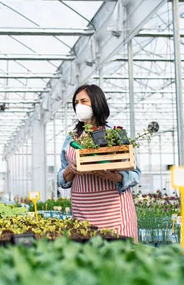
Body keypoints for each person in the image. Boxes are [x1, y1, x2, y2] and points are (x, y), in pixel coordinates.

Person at [57, 84, 141, 242]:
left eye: (84, 101)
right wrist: (70, 169)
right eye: (76, 103)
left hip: (115, 214)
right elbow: (61, 179)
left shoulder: (114, 135)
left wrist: (114, 177)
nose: (79, 106)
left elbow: (136, 174)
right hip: (82, 213)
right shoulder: (70, 139)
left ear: (96, 103)